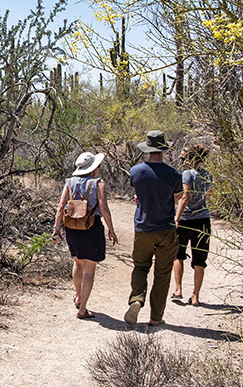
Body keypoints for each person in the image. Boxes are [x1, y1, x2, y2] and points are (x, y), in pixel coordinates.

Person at [124, 130, 185, 327]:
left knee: (140, 267)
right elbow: (177, 197)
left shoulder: (136, 171)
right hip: (166, 228)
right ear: (163, 149)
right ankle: (155, 317)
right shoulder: (174, 174)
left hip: (143, 228)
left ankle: (136, 300)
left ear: (148, 149)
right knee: (163, 273)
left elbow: (138, 194)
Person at [53, 151, 118, 319]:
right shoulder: (99, 183)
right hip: (91, 227)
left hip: (71, 227)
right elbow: (103, 208)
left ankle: (78, 296)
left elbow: (61, 207)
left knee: (78, 262)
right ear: (94, 167)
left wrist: (56, 227)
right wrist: (111, 229)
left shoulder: (69, 182)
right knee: (89, 269)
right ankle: (82, 309)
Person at [172, 144, 213, 306]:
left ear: (193, 159)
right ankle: (195, 296)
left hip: (186, 220)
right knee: (199, 259)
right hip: (203, 220)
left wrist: (176, 217)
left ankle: (178, 289)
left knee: (178, 254)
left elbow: (185, 197)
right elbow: (207, 195)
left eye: (183, 158)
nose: (181, 161)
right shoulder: (208, 175)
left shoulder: (187, 174)